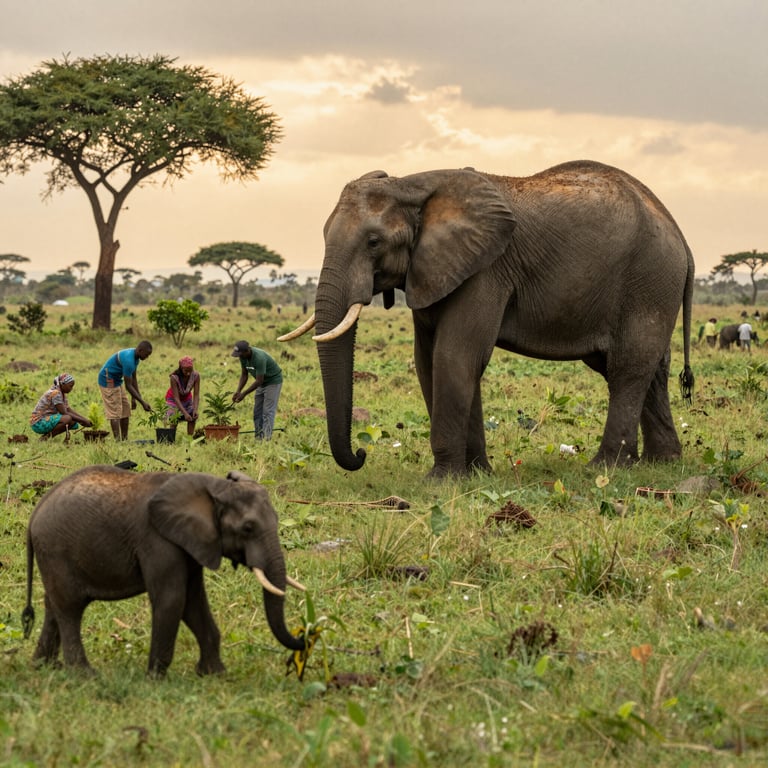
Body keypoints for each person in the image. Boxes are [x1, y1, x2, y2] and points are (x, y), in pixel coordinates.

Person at [98, 340, 153, 440]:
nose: (147, 357)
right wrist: (142, 402)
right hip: (107, 379)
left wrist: (135, 398)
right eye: (147, 354)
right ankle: (118, 441)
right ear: (140, 350)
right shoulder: (129, 361)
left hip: (117, 380)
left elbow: (134, 379)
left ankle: (124, 439)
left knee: (125, 409)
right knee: (115, 410)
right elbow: (128, 385)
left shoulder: (136, 358)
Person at [231, 340, 283, 440]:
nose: (239, 356)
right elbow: (244, 374)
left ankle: (266, 439)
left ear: (247, 351)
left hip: (272, 381)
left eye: (240, 354)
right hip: (261, 382)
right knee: (257, 412)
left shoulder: (259, 358)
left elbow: (259, 381)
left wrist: (244, 394)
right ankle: (259, 437)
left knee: (268, 411)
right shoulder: (243, 357)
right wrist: (238, 391)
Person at [30, 373, 92, 440]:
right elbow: (64, 412)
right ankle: (46, 437)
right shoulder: (55, 393)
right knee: (67, 418)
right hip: (38, 422)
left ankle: (45, 437)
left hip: (46, 420)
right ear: (63, 384)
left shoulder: (61, 393)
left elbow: (68, 409)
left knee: (73, 421)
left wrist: (84, 420)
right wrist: (83, 421)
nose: (71, 389)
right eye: (70, 386)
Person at [165, 355, 200, 435]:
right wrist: (185, 413)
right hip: (173, 400)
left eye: (190, 371)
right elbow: (176, 398)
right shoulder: (174, 378)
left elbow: (196, 395)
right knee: (174, 418)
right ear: (181, 369)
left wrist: (195, 410)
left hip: (187, 399)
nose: (188, 374)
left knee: (192, 416)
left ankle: (190, 438)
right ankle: (171, 439)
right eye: (185, 371)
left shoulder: (196, 376)